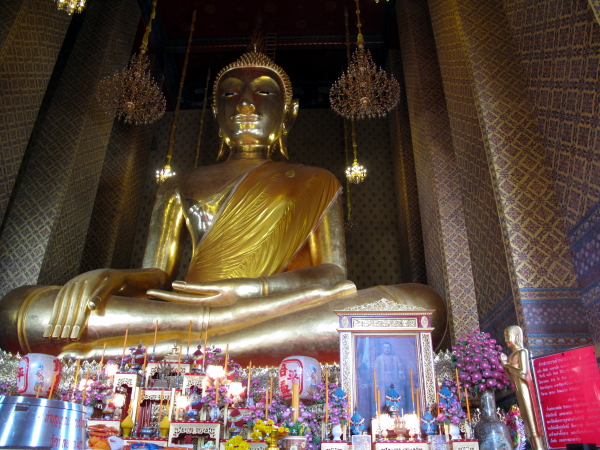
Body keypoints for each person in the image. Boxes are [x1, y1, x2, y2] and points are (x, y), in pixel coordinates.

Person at [0, 51, 447, 365]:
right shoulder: (179, 184)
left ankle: (170, 351)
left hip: (275, 310)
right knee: (23, 309)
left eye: (263, 93)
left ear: (287, 113)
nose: (246, 103)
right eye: (231, 94)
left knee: (421, 304)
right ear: (216, 112)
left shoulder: (316, 180)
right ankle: (206, 343)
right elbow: (159, 273)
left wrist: (246, 295)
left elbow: (333, 275)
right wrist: (112, 277)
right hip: (181, 309)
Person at [500, 326, 545, 450]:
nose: (506, 339)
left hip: (527, 388)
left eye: (508, 336)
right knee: (525, 417)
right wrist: (506, 367)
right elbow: (511, 378)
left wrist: (506, 365)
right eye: (505, 336)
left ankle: (540, 446)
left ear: (517, 336)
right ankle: (534, 445)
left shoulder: (522, 352)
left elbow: (523, 371)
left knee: (532, 418)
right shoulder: (511, 355)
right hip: (519, 388)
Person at [374, 342, 409, 415]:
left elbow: (401, 367)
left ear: (391, 348)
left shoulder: (395, 358)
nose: (386, 349)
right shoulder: (379, 358)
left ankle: (396, 415)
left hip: (394, 382)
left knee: (394, 399)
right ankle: (383, 415)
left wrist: (400, 373)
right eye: (385, 348)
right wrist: (377, 383)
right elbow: (375, 372)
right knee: (383, 401)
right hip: (383, 383)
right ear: (383, 349)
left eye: (388, 348)